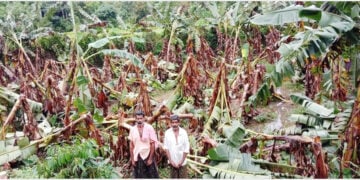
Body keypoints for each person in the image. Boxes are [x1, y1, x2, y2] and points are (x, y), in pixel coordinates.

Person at [129, 110, 159, 178]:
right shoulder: (133, 130)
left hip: (148, 155)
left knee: (151, 176)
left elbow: (153, 144)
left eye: (141, 118)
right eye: (138, 118)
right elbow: (131, 145)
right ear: (135, 119)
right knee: (139, 176)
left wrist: (150, 158)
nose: (139, 120)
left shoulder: (149, 128)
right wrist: (133, 159)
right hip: (138, 156)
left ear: (144, 118)